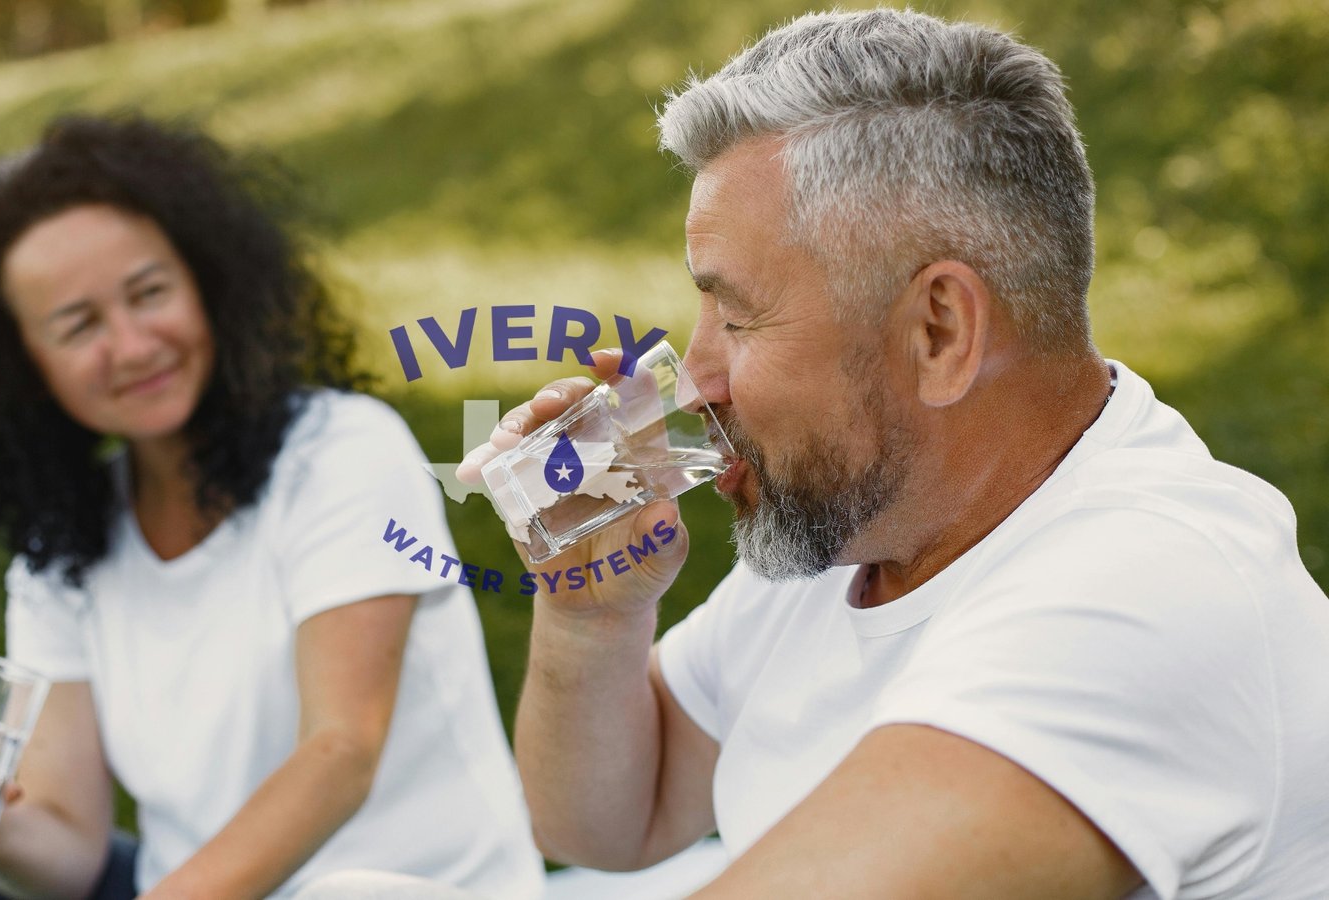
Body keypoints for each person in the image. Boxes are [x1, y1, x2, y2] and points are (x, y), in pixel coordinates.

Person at [459, 9, 1329, 898]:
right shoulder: (859, 521)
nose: (690, 383)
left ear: (939, 332)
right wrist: (590, 615)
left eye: (740, 316)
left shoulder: (1145, 593)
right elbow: (608, 823)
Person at [0, 114, 544, 900]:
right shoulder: (67, 540)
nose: (133, 344)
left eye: (149, 293)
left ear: (207, 285)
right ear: (22, 367)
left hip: (386, 891)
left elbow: (342, 751)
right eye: (79, 324)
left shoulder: (342, 449)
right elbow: (71, 852)